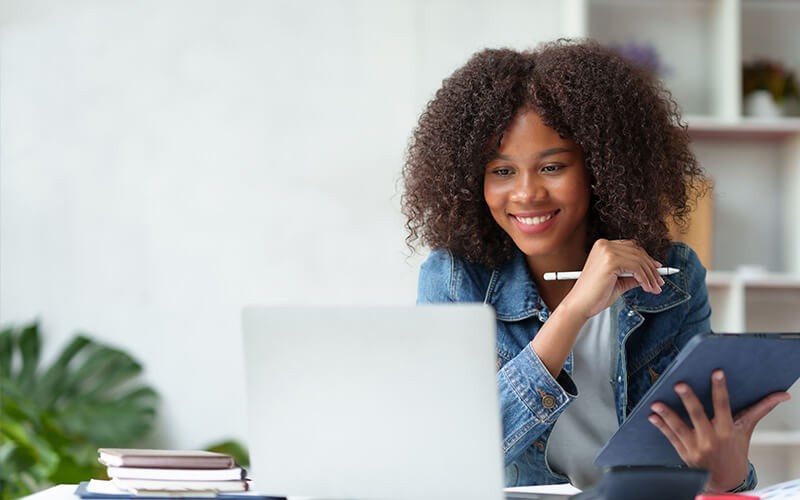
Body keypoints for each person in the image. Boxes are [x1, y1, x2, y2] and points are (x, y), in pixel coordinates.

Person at [401, 39, 789, 493]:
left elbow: (695, 474)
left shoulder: (673, 278)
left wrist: (725, 470)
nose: (526, 194)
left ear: (601, 168)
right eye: (502, 171)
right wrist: (572, 312)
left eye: (552, 167)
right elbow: (451, 453)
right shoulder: (454, 279)